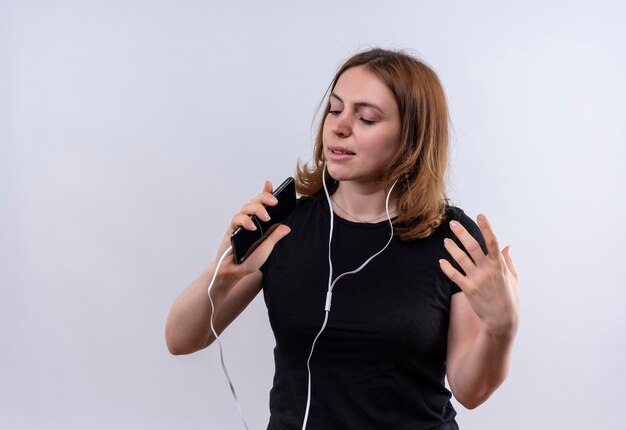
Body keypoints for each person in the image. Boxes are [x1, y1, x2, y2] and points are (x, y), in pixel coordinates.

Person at [165, 48, 520, 430]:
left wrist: (502, 327)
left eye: (366, 117)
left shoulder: (453, 238)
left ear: (412, 137)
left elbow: (471, 391)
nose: (339, 126)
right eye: (335, 110)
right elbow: (181, 339)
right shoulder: (285, 225)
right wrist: (219, 276)